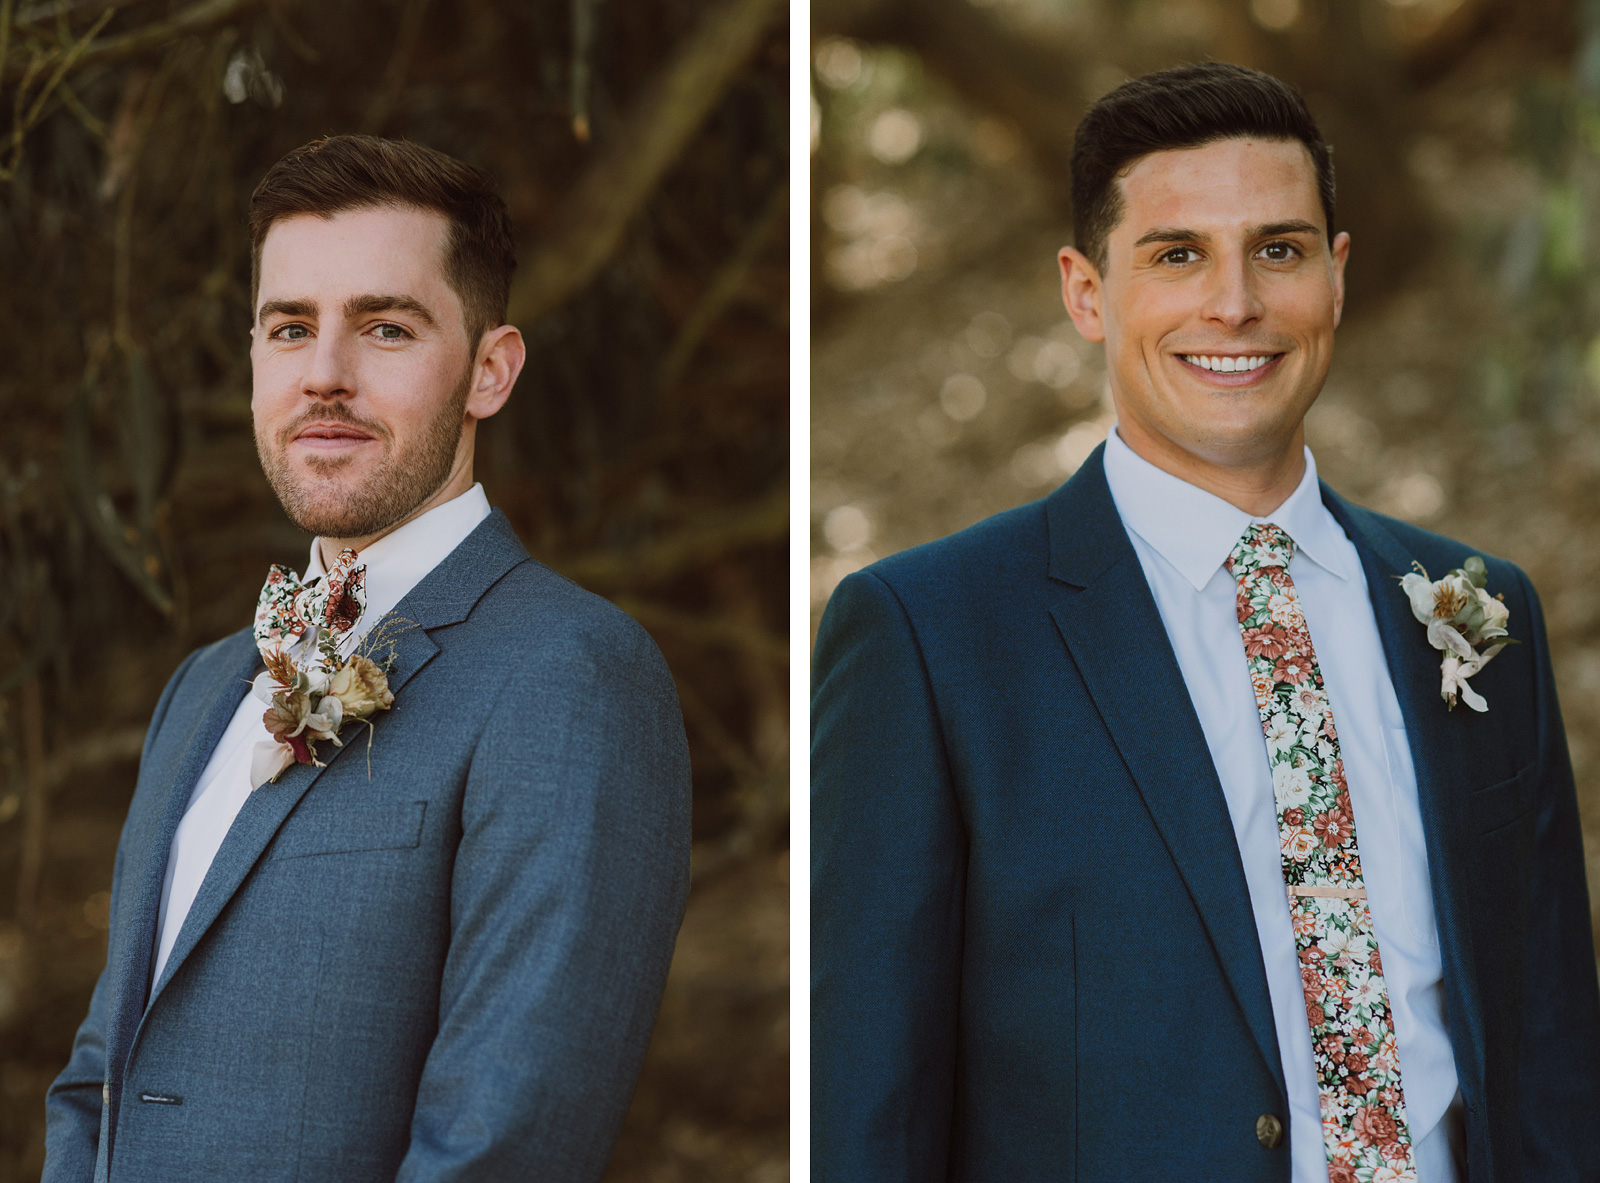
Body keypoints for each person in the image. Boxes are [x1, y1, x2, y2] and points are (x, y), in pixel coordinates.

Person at [811, 63, 1600, 1182]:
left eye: (1276, 249)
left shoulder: (1476, 608)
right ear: (1088, 293)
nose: (1233, 303)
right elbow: (868, 1115)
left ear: (1334, 277)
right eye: (1177, 254)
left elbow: (1553, 1041)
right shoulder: (929, 637)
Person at [43, 135, 691, 1182]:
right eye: (289, 328)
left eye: (386, 328)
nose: (325, 376)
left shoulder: (571, 673)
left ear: (490, 370)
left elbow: (505, 1141)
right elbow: (98, 1078)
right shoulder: (204, 686)